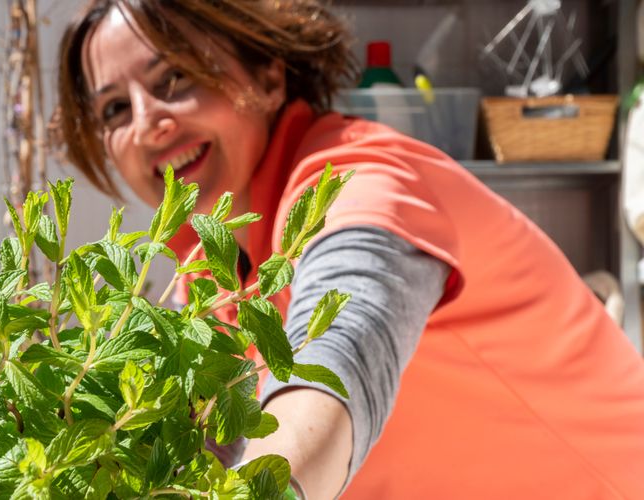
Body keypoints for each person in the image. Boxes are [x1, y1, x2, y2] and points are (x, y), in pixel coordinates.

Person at [53, 1, 644, 498]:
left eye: (174, 78)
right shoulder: (205, 275)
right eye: (114, 110)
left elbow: (331, 372)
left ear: (267, 76)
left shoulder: (363, 185)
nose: (146, 122)